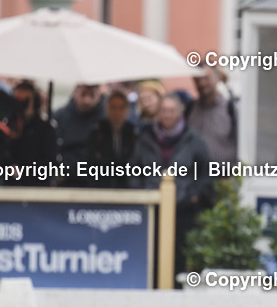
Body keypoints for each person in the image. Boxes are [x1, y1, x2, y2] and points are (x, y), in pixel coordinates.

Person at [132, 94, 214, 283]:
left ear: (180, 112)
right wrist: (140, 193)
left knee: (180, 255)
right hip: (152, 209)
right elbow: (133, 171)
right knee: (151, 253)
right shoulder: (145, 139)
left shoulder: (194, 140)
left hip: (183, 211)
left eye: (171, 111)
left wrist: (194, 196)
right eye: (164, 110)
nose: (167, 115)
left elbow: (206, 173)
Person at [186, 66, 238, 167]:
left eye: (206, 78)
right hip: (194, 176)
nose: (202, 83)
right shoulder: (189, 109)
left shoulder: (231, 109)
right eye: (197, 79)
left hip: (223, 178)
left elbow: (242, 145)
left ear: (217, 78)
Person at [11, 81, 60, 186]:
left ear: (35, 102)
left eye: (25, 101)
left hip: (36, 189)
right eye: (16, 101)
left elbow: (49, 166)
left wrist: (23, 172)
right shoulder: (7, 128)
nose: (20, 106)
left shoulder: (46, 130)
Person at [86, 90, 138, 187]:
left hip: (127, 188)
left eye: (121, 108)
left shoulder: (133, 133)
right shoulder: (97, 132)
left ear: (127, 110)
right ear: (107, 109)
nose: (117, 112)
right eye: (113, 107)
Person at [54, 84, 106, 172]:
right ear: (75, 92)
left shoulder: (106, 119)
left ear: (98, 94)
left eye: (91, 95)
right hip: (67, 175)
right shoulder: (60, 116)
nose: (87, 101)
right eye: (84, 94)